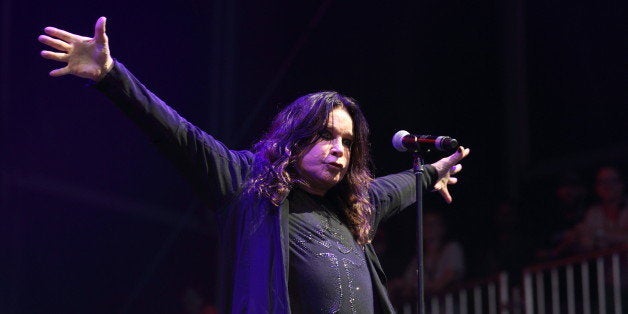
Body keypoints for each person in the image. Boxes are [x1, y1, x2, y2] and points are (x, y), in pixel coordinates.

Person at [38, 17, 470, 313]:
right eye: (325, 135)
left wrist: (433, 173)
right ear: (296, 136)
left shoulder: (353, 203)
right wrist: (112, 75)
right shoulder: (248, 183)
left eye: (347, 142)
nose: (339, 148)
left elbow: (396, 187)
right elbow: (179, 135)